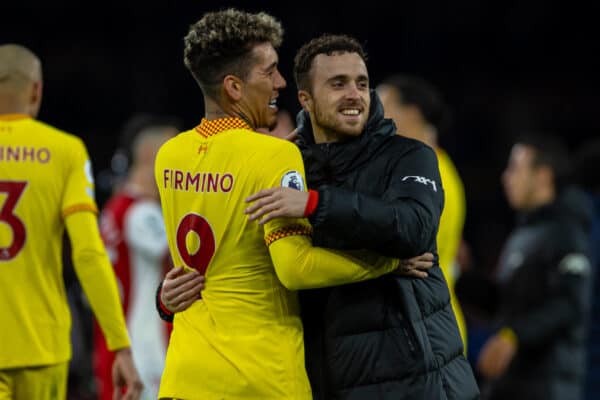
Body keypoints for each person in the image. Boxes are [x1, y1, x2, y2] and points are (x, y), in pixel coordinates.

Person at [160, 33, 479, 399]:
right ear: (306, 100)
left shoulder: (408, 156)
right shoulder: (288, 166)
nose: (354, 94)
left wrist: (314, 204)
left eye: (362, 83)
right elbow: (243, 256)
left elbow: (414, 229)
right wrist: (168, 298)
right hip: (325, 378)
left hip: (413, 377)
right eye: (337, 84)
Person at [0, 44, 142, 399]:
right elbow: (88, 254)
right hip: (41, 345)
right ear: (36, 90)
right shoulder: (65, 151)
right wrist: (119, 344)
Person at [476, 133, 593, 399]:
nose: (506, 177)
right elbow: (507, 302)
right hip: (513, 383)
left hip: (548, 384)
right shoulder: (524, 233)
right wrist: (461, 274)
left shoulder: (568, 232)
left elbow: (569, 304)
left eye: (515, 168)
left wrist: (513, 336)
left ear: (542, 176)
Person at [376, 75, 469, 348]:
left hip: (429, 333)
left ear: (412, 113)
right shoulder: (431, 167)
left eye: (384, 105)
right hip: (430, 324)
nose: (374, 115)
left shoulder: (430, 175)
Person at [93, 115, 179, 400]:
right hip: (146, 348)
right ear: (153, 158)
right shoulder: (143, 214)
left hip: (121, 343)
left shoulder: (117, 207)